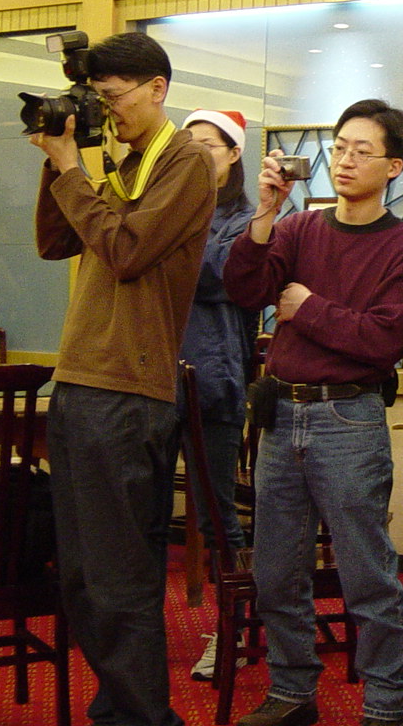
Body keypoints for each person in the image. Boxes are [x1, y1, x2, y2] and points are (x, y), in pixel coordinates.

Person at [224, 99, 403, 726]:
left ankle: (386, 704)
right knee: (276, 573)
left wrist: (308, 308)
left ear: (394, 167)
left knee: (368, 576)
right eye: (339, 147)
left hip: (349, 418)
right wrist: (265, 214)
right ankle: (292, 692)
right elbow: (244, 288)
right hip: (282, 414)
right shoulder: (297, 229)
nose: (345, 160)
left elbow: (384, 341)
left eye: (362, 151)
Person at [31, 31, 216, 726]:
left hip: (129, 391)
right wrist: (60, 160)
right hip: (81, 381)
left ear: (157, 89)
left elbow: (127, 250)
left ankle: (143, 718)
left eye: (113, 98)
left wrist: (71, 171)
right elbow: (55, 241)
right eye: (98, 99)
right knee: (82, 577)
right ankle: (121, 711)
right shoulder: (120, 160)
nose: (107, 111)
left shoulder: (185, 162)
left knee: (119, 579)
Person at [177, 108, 259, 681]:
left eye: (208, 144)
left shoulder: (248, 220)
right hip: (152, 376)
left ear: (233, 154)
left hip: (214, 381)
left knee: (215, 514)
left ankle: (232, 629)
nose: (197, 153)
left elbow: (220, 276)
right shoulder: (168, 205)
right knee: (140, 509)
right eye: (188, 143)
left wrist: (165, 247)